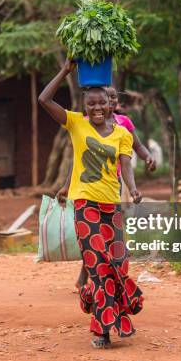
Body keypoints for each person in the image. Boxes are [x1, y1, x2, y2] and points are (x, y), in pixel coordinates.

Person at [38, 60, 144, 349]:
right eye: (91, 104)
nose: (97, 109)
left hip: (112, 207)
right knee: (97, 266)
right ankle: (103, 329)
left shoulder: (123, 133)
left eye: (102, 104)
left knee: (119, 265)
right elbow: (43, 99)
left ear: (111, 105)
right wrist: (65, 71)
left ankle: (104, 308)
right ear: (85, 106)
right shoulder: (76, 123)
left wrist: (133, 190)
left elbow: (126, 164)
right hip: (86, 206)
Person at [57, 86, 157, 289]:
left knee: (108, 239)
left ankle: (106, 283)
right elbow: (78, 160)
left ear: (115, 102)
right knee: (94, 239)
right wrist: (67, 186)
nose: (108, 102)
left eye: (111, 98)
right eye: (105, 98)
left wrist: (147, 158)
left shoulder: (123, 125)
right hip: (88, 188)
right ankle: (94, 283)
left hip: (115, 183)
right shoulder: (84, 125)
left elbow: (135, 149)